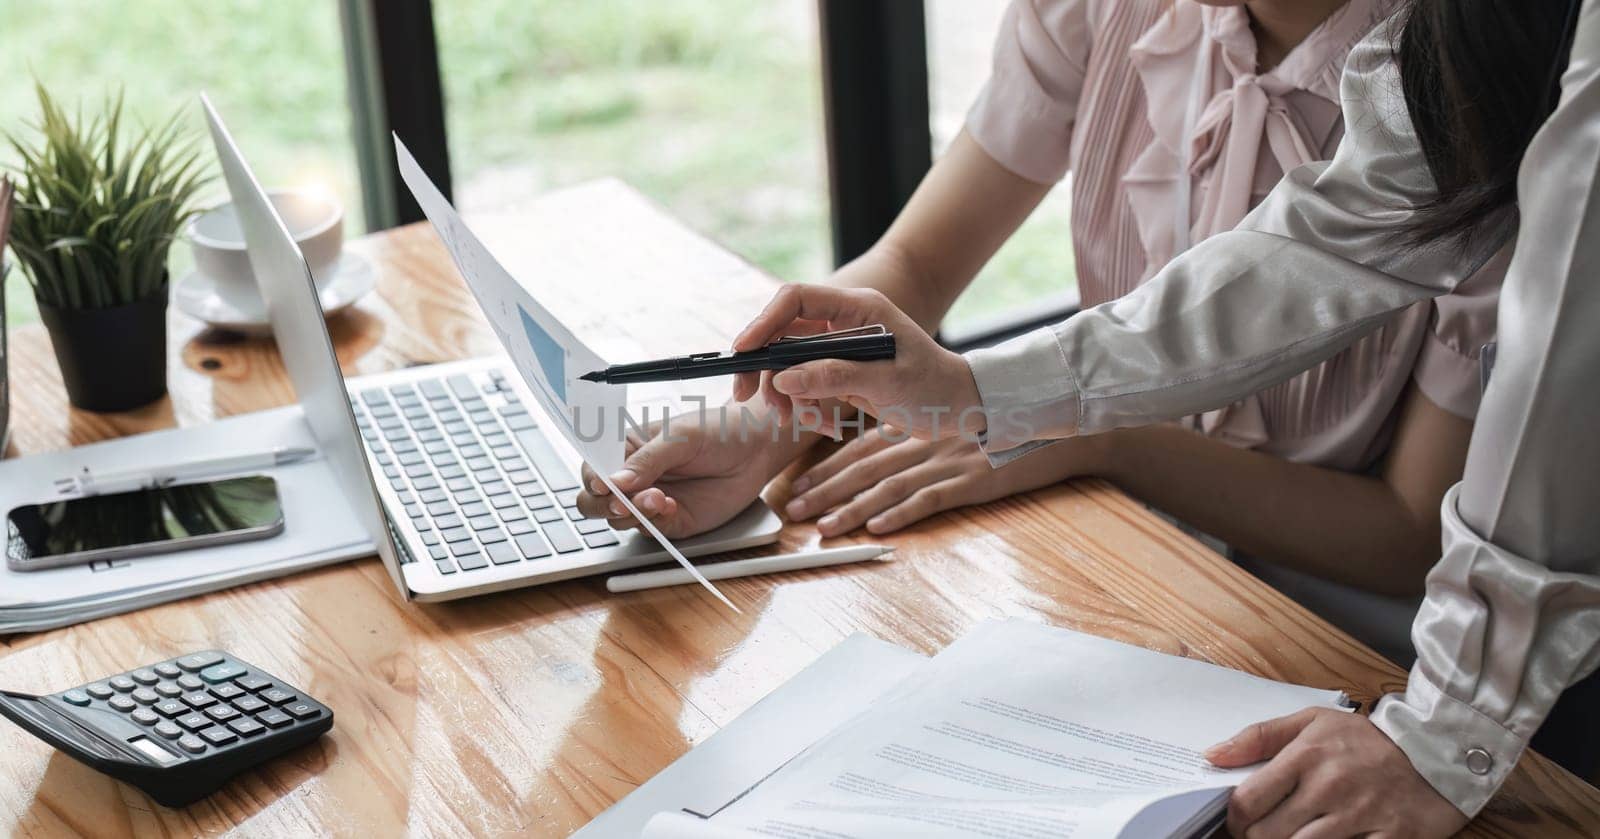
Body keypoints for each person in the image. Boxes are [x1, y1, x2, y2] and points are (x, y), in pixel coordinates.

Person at [665, 0, 1597, 835]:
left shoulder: (1497, 71)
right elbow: (1322, 245)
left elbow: (1555, 358)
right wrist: (815, 416)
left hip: (1380, 637)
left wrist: (1446, 739)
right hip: (1173, 595)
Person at [581, 0, 1507, 663]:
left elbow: (1408, 534)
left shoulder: (1480, 85)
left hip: (1345, 627)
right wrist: (761, 431)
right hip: (1109, 552)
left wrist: (1082, 434)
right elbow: (914, 265)